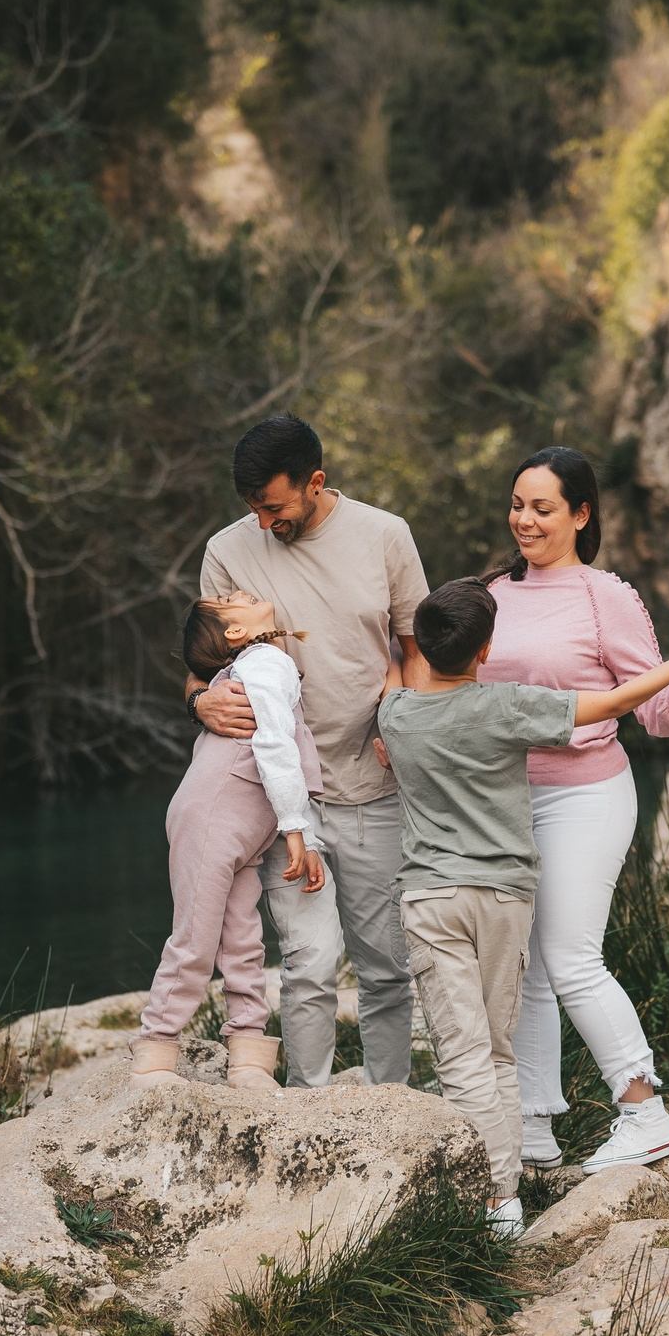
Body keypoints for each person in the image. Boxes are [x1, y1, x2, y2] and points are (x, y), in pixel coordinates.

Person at [377, 577, 669, 1239]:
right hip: (503, 898)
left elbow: (389, 670)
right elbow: (616, 699)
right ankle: (507, 1191)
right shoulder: (506, 705)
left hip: (431, 897)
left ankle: (493, 1197)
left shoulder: (394, 714)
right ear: (486, 651)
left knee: (459, 1056)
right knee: (496, 1052)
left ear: (423, 650)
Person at [479, 447, 669, 1173]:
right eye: (517, 504)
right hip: (504, 800)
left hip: (586, 792)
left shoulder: (606, 597)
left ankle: (643, 1110)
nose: (525, 519)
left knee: (569, 955)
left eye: (543, 507)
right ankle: (533, 1128)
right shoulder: (490, 592)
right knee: (525, 967)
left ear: (581, 514)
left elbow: (659, 713)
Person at [192, 416, 429, 1087]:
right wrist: (197, 701)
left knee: (386, 962)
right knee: (310, 960)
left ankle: (389, 1104)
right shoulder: (226, 551)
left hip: (373, 784)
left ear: (315, 482)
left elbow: (416, 650)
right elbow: (202, 665)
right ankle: (307, 1104)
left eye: (274, 506)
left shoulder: (386, 535)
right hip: (279, 795)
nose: (263, 523)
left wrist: (399, 721)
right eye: (252, 508)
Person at [132, 591, 327, 1093]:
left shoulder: (260, 659)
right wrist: (294, 825)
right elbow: (275, 741)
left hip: (244, 829)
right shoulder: (264, 662)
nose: (238, 592)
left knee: (243, 943)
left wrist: (302, 831)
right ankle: (154, 1057)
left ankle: (248, 1057)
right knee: (194, 940)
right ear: (236, 632)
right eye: (227, 599)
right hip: (212, 818)